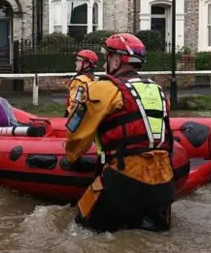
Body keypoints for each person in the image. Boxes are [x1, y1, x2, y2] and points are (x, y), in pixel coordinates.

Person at [65, 33, 174, 233]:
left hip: (125, 177)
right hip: (163, 180)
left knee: (81, 231)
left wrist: (71, 158)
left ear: (116, 60)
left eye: (107, 57)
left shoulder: (103, 89)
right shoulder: (158, 90)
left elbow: (78, 134)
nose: (105, 64)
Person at [65, 50, 99, 117]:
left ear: (86, 64)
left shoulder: (80, 81)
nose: (76, 63)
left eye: (79, 60)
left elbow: (74, 105)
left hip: (75, 118)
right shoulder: (94, 79)